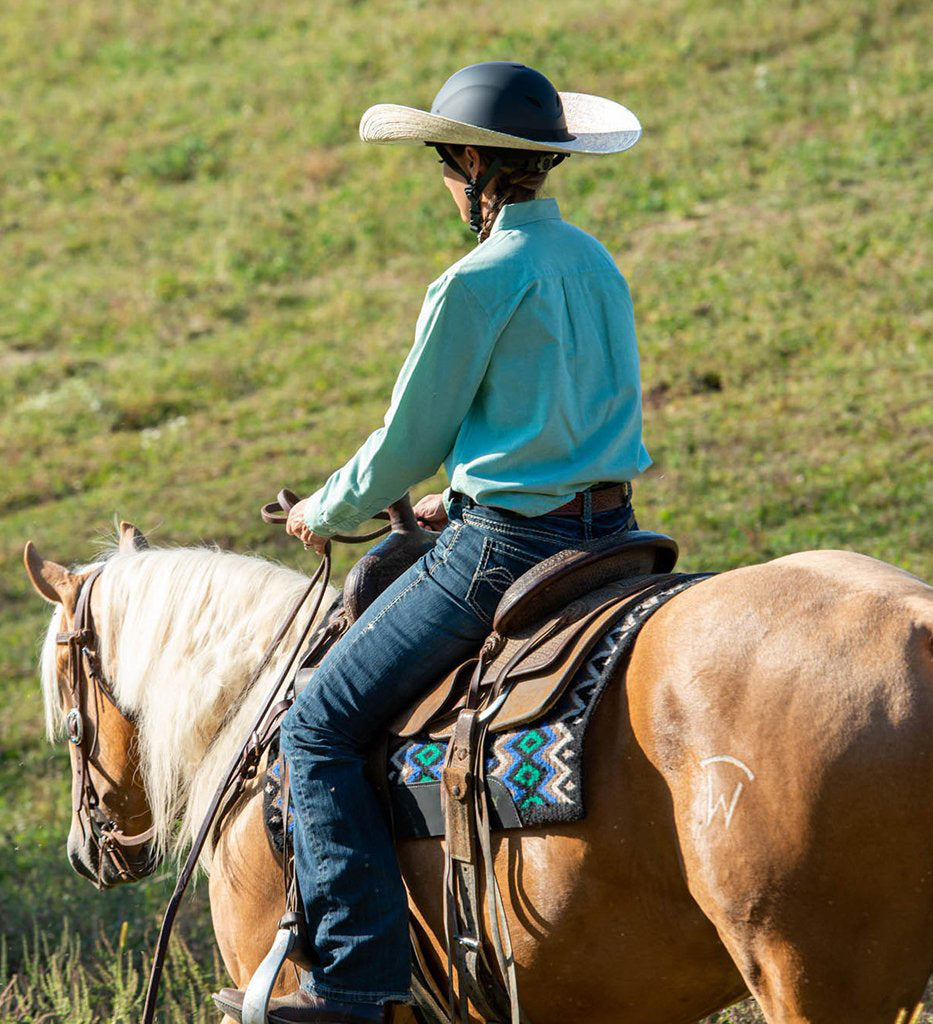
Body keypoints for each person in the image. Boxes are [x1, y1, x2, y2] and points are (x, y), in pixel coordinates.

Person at [215, 61, 651, 1024]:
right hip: (614, 533)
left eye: (443, 162)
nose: (444, 179)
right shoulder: (596, 264)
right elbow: (566, 420)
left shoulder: (474, 281)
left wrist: (324, 512)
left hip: (504, 550)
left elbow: (408, 442)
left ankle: (357, 985)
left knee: (317, 726)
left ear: (468, 162)